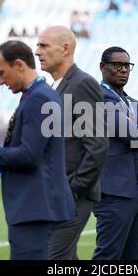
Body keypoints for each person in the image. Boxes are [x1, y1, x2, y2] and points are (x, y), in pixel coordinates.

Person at [0, 40, 75, 260]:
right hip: (39, 207)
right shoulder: (41, 95)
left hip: (34, 209)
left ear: (19, 65)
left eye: (2, 73)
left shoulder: (39, 98)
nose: (1, 81)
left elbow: (29, 155)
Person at [35, 26, 108, 260]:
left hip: (71, 194)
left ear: (65, 48)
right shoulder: (51, 86)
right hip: (53, 193)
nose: (37, 51)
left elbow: (97, 144)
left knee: (52, 259)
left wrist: (75, 188)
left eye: (44, 45)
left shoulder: (82, 84)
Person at [92, 46, 138, 260]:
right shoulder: (98, 98)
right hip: (114, 191)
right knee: (109, 257)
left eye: (127, 65)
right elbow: (135, 136)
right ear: (103, 67)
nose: (123, 70)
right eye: (117, 65)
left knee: (130, 258)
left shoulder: (133, 103)